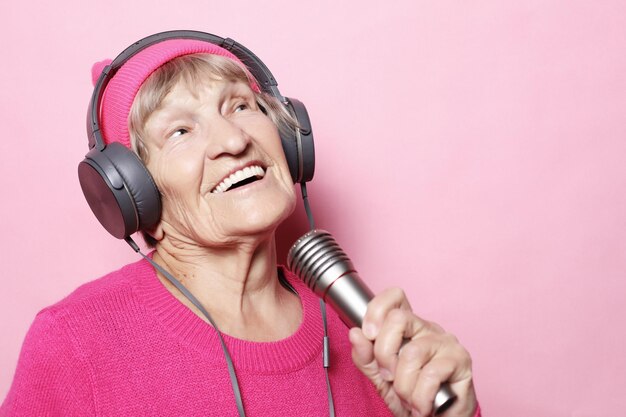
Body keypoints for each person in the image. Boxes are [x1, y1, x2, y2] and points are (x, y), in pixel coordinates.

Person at [0, 31, 480, 417]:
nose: (233, 140)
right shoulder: (75, 343)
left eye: (241, 106)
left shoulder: (367, 337)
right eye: (181, 131)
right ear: (133, 193)